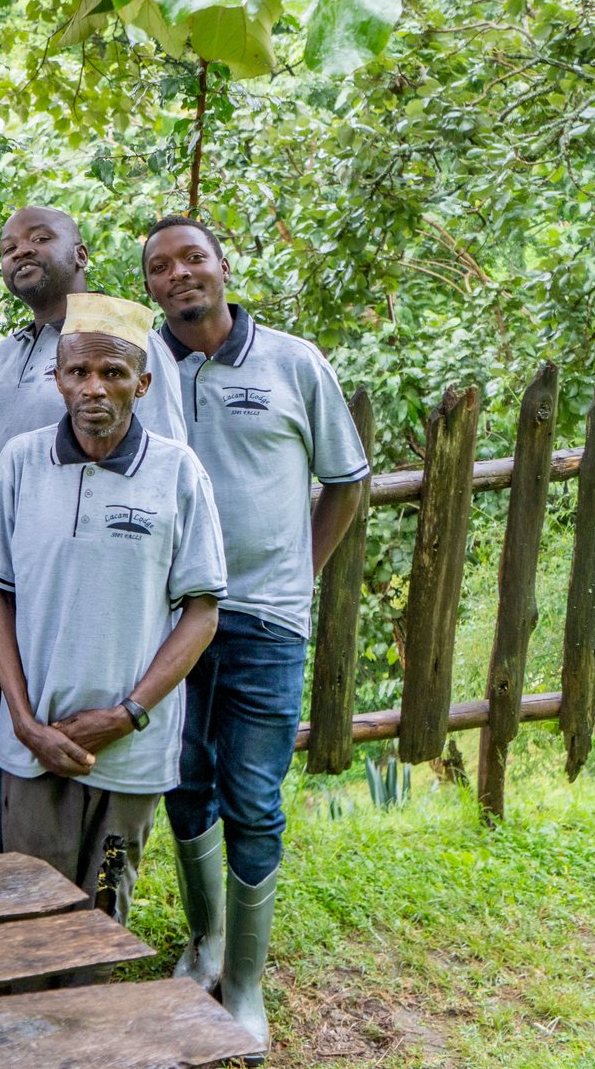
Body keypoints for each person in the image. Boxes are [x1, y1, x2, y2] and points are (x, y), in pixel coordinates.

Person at [143, 216, 369, 1052]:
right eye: (160, 266)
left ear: (224, 266)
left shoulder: (292, 362)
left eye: (192, 257)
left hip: (267, 619)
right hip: (169, 619)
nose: (179, 275)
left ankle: (244, 983)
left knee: (252, 793)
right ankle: (205, 943)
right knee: (182, 776)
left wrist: (296, 573)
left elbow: (344, 483)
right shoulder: (148, 366)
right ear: (150, 287)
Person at [0, 293, 225, 931]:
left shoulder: (177, 473)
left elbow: (201, 613)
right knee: (28, 917)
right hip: (34, 744)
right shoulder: (22, 463)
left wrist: (127, 714)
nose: (94, 387)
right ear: (56, 378)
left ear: (142, 383)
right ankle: (33, 1030)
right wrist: (27, 723)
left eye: (113, 373)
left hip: (130, 750)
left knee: (103, 916)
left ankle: (84, 1027)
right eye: (78, 371)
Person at [0, 206, 186, 449]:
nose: (21, 251)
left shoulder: (127, 337)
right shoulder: (6, 354)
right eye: (9, 249)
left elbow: (165, 455)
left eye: (40, 238)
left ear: (81, 255)